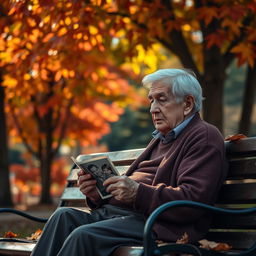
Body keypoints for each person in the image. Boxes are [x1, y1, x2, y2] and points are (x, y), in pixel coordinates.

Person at [31, 68, 227, 256]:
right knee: (63, 216)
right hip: (124, 215)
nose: (153, 109)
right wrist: (98, 194)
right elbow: (132, 193)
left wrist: (138, 192)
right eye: (151, 100)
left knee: (84, 236)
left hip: (158, 223)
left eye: (161, 100)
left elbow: (191, 200)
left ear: (187, 104)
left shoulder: (204, 136)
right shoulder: (162, 138)